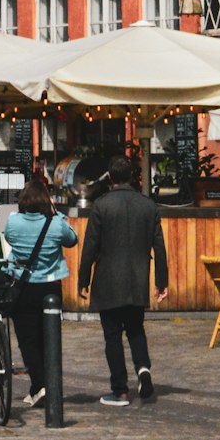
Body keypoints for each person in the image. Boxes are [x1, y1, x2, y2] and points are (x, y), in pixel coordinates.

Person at [78, 154, 169, 406]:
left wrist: (83, 280)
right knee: (136, 329)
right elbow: (159, 247)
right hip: (137, 279)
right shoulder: (148, 206)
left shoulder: (101, 205)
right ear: (131, 176)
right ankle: (143, 369)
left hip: (107, 280)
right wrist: (161, 281)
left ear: (110, 176)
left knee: (112, 336)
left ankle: (119, 390)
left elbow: (90, 247)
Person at [3, 177, 78, 407]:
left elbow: (8, 237)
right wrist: (56, 213)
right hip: (50, 286)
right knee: (49, 338)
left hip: (22, 286)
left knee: (28, 340)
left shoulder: (13, 222)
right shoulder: (55, 223)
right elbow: (72, 239)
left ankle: (40, 385)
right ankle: (45, 386)